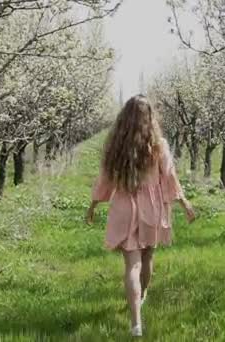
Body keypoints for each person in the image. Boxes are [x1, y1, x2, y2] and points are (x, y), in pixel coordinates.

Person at [86, 95, 195, 337]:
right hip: (152, 208)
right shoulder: (159, 145)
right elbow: (169, 176)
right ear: (150, 118)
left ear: (124, 118)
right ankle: (141, 296)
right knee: (147, 258)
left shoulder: (116, 146)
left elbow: (105, 178)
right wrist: (184, 202)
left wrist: (92, 205)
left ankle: (136, 323)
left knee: (131, 266)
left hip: (125, 207)